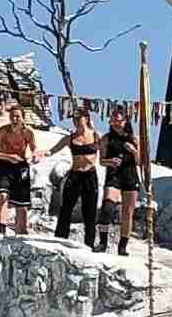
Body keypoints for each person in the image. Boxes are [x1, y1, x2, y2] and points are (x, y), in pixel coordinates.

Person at [52, 104, 105, 250]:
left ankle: (89, 243)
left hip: (90, 176)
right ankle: (60, 239)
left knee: (90, 211)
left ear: (86, 119)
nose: (75, 121)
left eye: (78, 118)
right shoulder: (70, 138)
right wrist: (42, 154)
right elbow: (53, 149)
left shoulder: (96, 136)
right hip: (75, 175)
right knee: (66, 208)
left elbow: (106, 153)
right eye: (74, 119)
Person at [0, 101, 38, 236]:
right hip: (4, 164)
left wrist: (34, 156)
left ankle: (21, 234)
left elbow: (34, 149)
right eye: (12, 116)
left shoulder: (28, 132)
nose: (15, 119)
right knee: (2, 196)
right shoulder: (3, 131)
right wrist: (8, 156)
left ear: (23, 118)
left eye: (17, 117)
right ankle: (1, 231)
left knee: (21, 205)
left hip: (21, 166)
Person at [101, 107, 146, 259]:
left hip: (130, 175)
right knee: (107, 207)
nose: (115, 123)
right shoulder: (106, 138)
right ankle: (102, 242)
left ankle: (122, 246)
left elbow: (141, 161)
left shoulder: (133, 138)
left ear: (125, 121)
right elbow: (101, 161)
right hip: (114, 175)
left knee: (127, 212)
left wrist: (133, 151)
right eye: (113, 120)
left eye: (118, 121)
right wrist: (110, 161)